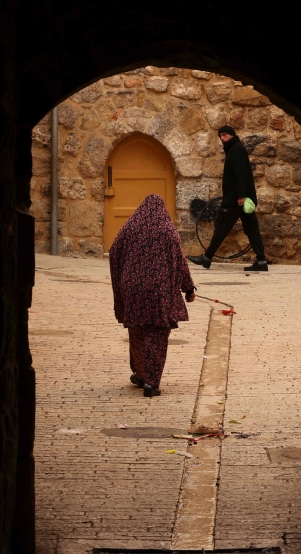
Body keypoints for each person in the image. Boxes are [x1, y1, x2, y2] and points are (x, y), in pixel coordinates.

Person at [109, 194, 196, 397]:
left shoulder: (129, 229)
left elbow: (114, 251)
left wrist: (123, 278)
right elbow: (180, 262)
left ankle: (141, 374)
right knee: (157, 333)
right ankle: (151, 382)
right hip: (159, 291)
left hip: (132, 288)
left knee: (138, 331)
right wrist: (189, 288)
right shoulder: (168, 231)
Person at [187, 125, 268, 272]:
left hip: (236, 200)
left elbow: (241, 174)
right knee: (252, 229)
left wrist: (241, 196)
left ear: (231, 135)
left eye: (224, 135)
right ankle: (261, 261)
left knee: (222, 227)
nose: (222, 138)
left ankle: (207, 257)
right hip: (239, 199)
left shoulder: (236, 149)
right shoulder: (234, 149)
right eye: (220, 136)